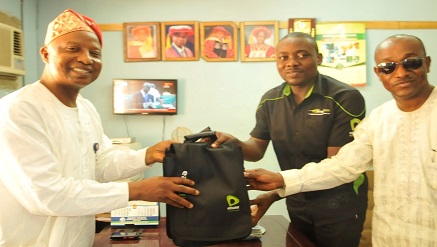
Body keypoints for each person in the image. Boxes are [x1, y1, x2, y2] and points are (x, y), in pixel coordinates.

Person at [0, 9, 199, 246]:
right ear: (45, 53)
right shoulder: (19, 109)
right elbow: (45, 195)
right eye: (73, 49)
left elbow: (99, 164)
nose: (86, 59)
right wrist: (135, 190)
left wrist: (146, 155)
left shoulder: (85, 108)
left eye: (95, 53)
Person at [242, 34, 437, 246]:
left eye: (411, 63)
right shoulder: (380, 119)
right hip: (390, 233)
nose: (401, 73)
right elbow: (343, 166)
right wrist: (280, 181)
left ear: (426, 63)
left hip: (355, 212)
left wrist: (279, 183)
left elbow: (339, 170)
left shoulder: (343, 97)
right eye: (388, 67)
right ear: (379, 73)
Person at [212, 32, 368, 247]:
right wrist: (233, 142)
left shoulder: (344, 98)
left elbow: (337, 167)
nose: (292, 63)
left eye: (302, 55)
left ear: (319, 58)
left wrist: (276, 188)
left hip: (340, 204)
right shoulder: (270, 99)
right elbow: (256, 150)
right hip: (297, 200)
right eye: (283, 57)